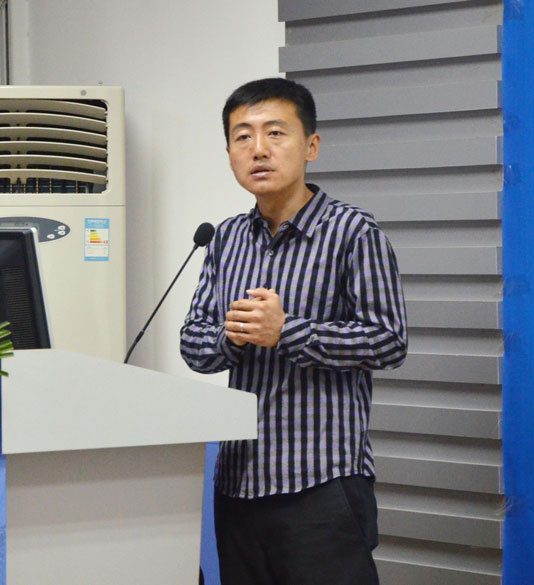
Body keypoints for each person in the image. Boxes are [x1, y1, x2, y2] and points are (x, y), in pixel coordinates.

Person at [180, 77, 408, 585]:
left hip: (321, 483)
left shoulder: (353, 232)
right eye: (242, 136)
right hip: (238, 481)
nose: (258, 149)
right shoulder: (225, 239)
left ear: (311, 146)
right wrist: (231, 337)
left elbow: (389, 340)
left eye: (275, 133)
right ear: (229, 153)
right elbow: (194, 343)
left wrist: (288, 332)